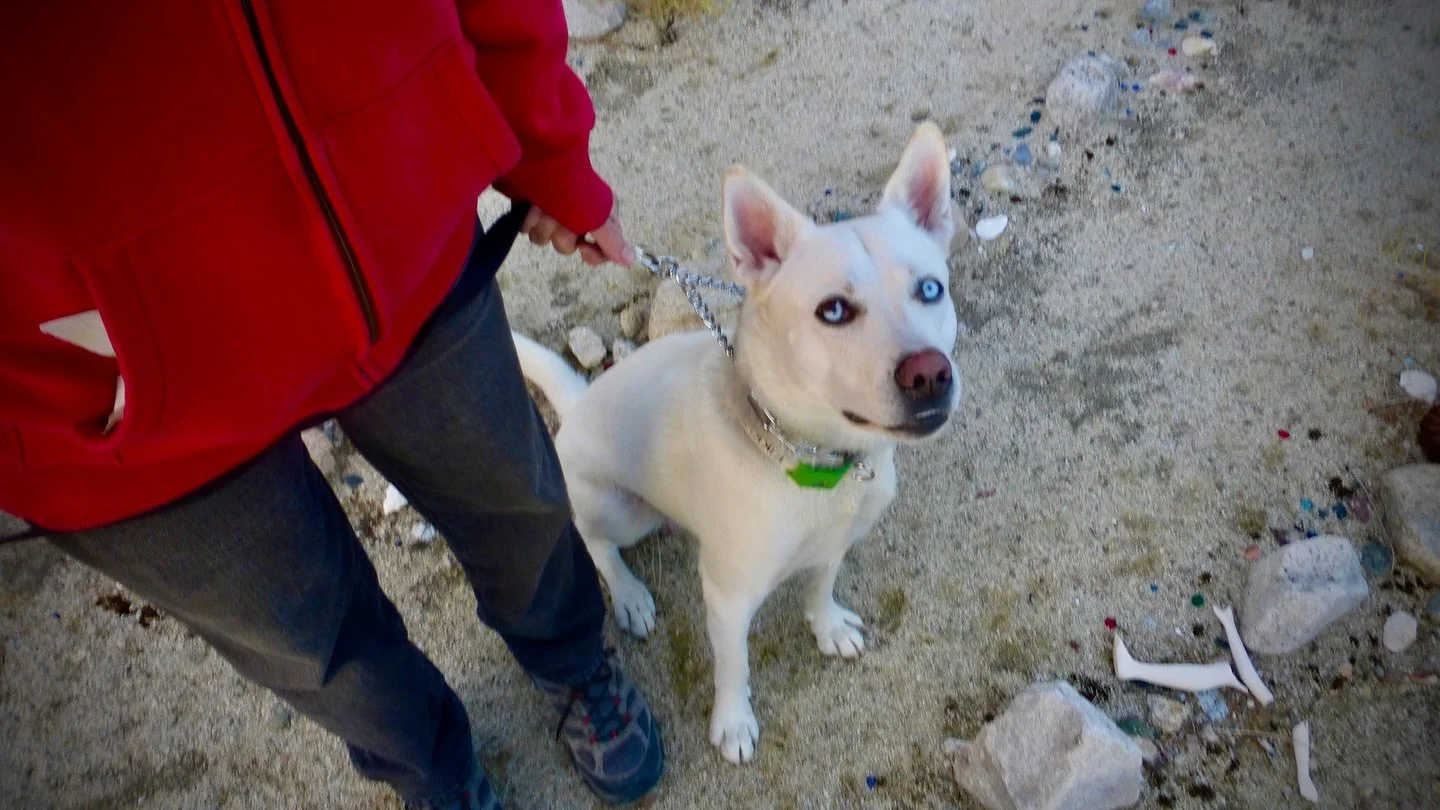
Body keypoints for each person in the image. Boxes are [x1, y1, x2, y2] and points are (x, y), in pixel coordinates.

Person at [0, 2, 662, 808]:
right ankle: (434, 775)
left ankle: (566, 657)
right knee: (310, 643)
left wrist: (551, 156)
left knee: (514, 497)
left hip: (399, 236)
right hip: (90, 394)